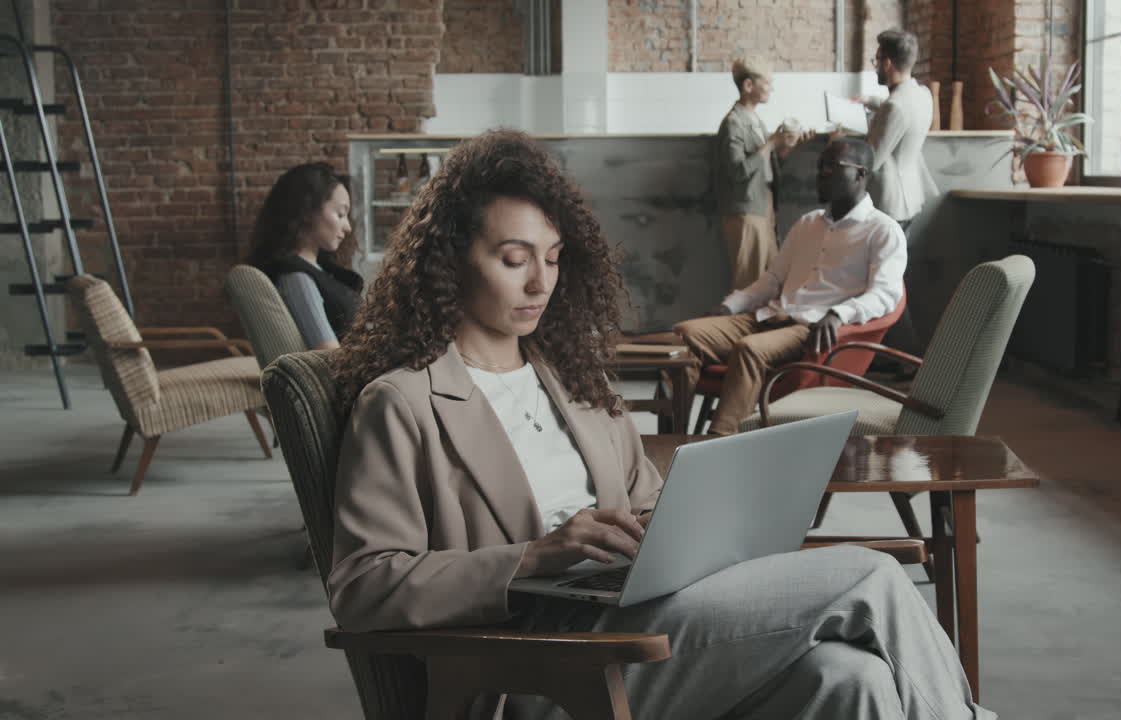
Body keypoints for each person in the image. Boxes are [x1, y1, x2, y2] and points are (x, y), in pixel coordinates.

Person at [326, 130, 988, 719]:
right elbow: (362, 586)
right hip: (535, 664)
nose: (540, 282)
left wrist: (702, 526)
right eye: (513, 258)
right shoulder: (404, 402)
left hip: (631, 616)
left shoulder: (571, 381)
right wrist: (534, 556)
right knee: (870, 579)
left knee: (852, 680)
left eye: (553, 257)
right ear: (451, 261)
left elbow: (644, 505)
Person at [674, 137, 907, 436]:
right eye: (819, 166)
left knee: (748, 349)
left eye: (830, 167)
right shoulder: (807, 224)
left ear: (860, 174)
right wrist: (729, 306)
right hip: (768, 317)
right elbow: (772, 280)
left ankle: (720, 440)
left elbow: (886, 295)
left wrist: (839, 314)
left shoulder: (883, 230)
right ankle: (675, 434)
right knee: (684, 335)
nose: (820, 173)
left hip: (808, 329)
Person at [852, 29, 940, 375]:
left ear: (888, 63)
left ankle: (906, 358)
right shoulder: (920, 95)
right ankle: (897, 355)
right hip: (910, 195)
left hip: (890, 201)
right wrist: (870, 104)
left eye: (877, 59)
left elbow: (871, 156)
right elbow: (898, 111)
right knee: (889, 278)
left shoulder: (895, 106)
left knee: (886, 283)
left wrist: (842, 139)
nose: (876, 65)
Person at [714, 56, 814, 291]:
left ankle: (760, 327)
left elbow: (764, 166)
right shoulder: (733, 123)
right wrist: (771, 143)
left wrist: (790, 146)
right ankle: (740, 327)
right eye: (767, 83)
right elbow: (737, 171)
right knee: (749, 281)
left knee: (767, 278)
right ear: (748, 86)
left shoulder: (754, 120)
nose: (771, 89)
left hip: (762, 206)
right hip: (746, 209)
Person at [248, 162, 363, 350]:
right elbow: (327, 353)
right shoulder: (296, 277)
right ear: (308, 211)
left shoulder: (321, 269)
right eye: (340, 214)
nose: (348, 227)